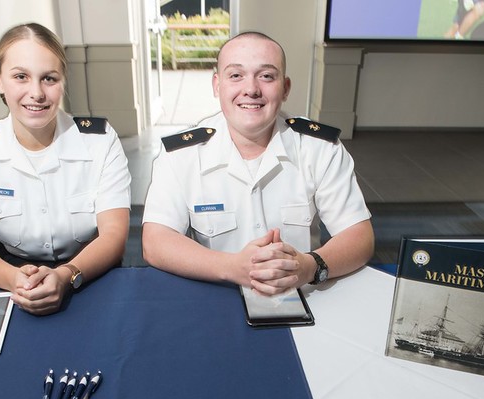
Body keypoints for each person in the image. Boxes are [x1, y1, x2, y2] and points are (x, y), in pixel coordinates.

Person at [141, 32, 374, 296]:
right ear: (217, 85)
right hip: (216, 294)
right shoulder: (181, 154)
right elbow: (156, 241)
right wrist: (233, 267)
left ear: (285, 88)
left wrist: (310, 266)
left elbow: (359, 235)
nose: (251, 89)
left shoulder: (318, 147)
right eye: (236, 75)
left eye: (266, 76)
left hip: (300, 295)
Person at [0, 23, 131, 314]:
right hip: (8, 277)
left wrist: (65, 276)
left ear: (63, 81)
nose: (36, 92)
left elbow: (114, 235)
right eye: (21, 76)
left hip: (88, 271)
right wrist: (15, 281)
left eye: (49, 78)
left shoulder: (99, 140)